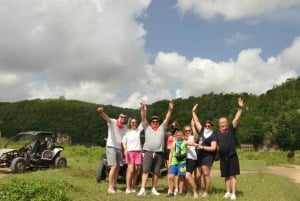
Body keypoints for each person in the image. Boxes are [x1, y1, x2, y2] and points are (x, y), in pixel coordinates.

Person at [137, 100, 174, 196]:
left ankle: (153, 189)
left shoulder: (162, 128)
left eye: (157, 121)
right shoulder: (147, 127)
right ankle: (143, 189)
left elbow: (167, 118)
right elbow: (143, 117)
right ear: (151, 122)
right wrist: (142, 109)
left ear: (158, 122)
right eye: (153, 121)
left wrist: (170, 110)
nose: (155, 123)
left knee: (156, 172)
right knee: (145, 171)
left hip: (159, 153)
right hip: (148, 152)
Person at [216, 97, 244, 200]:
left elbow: (236, 119)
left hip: (232, 156)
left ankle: (233, 194)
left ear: (227, 123)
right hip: (223, 158)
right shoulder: (217, 134)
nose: (222, 124)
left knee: (233, 176)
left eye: (224, 122)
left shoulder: (231, 129)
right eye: (221, 123)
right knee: (226, 176)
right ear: (219, 124)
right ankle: (227, 192)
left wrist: (240, 109)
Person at [97, 106, 127, 194]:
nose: (123, 118)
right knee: (113, 167)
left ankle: (114, 186)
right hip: (111, 147)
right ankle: (110, 188)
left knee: (118, 168)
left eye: (124, 117)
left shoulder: (124, 127)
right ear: (119, 117)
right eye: (121, 117)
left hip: (119, 148)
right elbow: (106, 118)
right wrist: (101, 112)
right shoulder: (113, 122)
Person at [192, 103, 217, 197]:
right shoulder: (202, 131)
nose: (207, 127)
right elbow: (196, 121)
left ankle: (206, 192)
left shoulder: (213, 135)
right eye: (206, 125)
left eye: (209, 125)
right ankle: (199, 189)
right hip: (199, 155)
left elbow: (213, 148)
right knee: (197, 175)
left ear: (211, 126)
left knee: (206, 175)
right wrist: (193, 111)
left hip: (208, 156)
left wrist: (202, 147)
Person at [167, 130, 198, 197]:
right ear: (175, 136)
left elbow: (191, 143)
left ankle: (180, 192)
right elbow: (171, 153)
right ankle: (171, 192)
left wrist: (195, 144)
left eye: (180, 135)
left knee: (181, 177)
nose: (179, 137)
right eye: (177, 135)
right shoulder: (174, 143)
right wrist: (169, 162)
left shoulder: (185, 142)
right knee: (171, 177)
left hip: (182, 163)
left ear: (183, 136)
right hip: (174, 162)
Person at [122, 116, 144, 194]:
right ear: (130, 123)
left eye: (135, 122)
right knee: (131, 170)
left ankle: (133, 187)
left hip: (138, 152)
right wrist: (125, 149)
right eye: (133, 122)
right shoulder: (127, 132)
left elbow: (144, 120)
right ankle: (128, 188)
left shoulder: (138, 130)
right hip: (130, 152)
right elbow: (124, 142)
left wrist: (143, 109)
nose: (134, 123)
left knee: (136, 170)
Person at [182, 124, 199, 198]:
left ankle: (194, 191)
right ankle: (188, 191)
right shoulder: (182, 138)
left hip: (191, 158)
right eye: (186, 131)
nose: (188, 132)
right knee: (184, 176)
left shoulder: (192, 137)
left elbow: (196, 137)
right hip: (183, 159)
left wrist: (193, 126)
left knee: (187, 176)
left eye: (189, 130)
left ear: (191, 131)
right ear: (184, 132)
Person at [165, 121, 179, 195]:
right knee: (169, 171)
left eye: (175, 126)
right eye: (172, 126)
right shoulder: (168, 134)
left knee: (176, 172)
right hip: (168, 151)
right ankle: (170, 188)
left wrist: (176, 134)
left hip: (176, 152)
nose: (174, 127)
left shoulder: (179, 134)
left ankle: (176, 188)